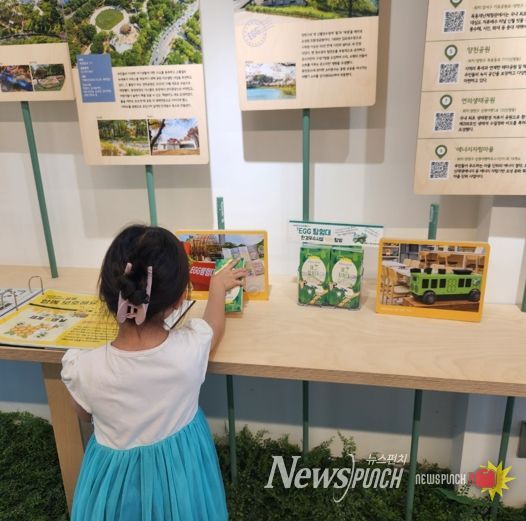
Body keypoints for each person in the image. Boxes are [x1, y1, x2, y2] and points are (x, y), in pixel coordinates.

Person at [61, 225, 246, 520]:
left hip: (114, 488)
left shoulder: (84, 367)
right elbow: (214, 328)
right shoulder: (188, 351)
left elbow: (83, 414)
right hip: (181, 477)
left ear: (108, 294)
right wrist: (217, 287)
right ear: (179, 300)